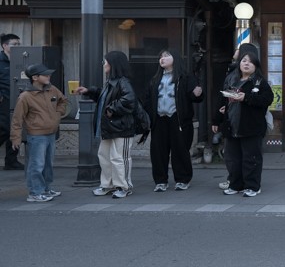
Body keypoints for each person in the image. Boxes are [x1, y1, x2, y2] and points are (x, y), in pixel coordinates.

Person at [75, 50, 139, 199]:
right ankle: (108, 185)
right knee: (105, 156)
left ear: (113, 64)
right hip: (111, 127)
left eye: (105, 61)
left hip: (121, 128)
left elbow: (130, 101)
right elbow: (106, 98)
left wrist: (112, 109)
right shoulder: (112, 82)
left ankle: (124, 186)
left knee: (119, 158)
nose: (103, 64)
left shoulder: (122, 82)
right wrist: (90, 91)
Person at [143, 48, 203, 191]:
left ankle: (182, 179)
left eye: (166, 56)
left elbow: (196, 96)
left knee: (180, 150)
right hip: (159, 119)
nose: (162, 59)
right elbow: (147, 99)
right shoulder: (155, 79)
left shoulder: (185, 77)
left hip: (178, 119)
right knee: (158, 151)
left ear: (175, 58)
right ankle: (160, 181)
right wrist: (149, 116)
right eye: (160, 57)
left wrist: (197, 94)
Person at [10, 63, 67, 202]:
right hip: (36, 135)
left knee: (48, 164)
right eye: (45, 74)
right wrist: (15, 138)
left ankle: (46, 189)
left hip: (51, 133)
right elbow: (17, 119)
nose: (49, 76)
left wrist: (57, 114)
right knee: (36, 165)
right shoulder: (25, 96)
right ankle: (35, 192)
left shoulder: (51, 89)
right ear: (35, 77)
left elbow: (63, 101)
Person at [220, 49, 272, 197]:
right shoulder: (232, 80)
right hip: (232, 125)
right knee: (232, 159)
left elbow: (267, 100)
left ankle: (252, 186)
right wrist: (224, 109)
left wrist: (246, 98)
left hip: (252, 127)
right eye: (243, 61)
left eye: (250, 61)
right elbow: (224, 99)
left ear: (256, 65)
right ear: (239, 64)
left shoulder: (260, 82)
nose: (246, 64)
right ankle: (235, 185)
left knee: (251, 158)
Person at [212, 43, 258, 190]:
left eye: (244, 56)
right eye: (242, 58)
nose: (236, 56)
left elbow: (264, 99)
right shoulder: (232, 74)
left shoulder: (257, 78)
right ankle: (234, 181)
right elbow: (222, 97)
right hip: (231, 120)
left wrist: (245, 99)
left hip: (249, 123)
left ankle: (249, 183)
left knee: (248, 156)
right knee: (232, 155)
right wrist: (217, 118)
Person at [1, 33, 25, 170]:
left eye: (19, 44)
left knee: (16, 128)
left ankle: (11, 160)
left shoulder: (20, 59)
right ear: (5, 45)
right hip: (3, 100)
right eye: (14, 44)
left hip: (17, 99)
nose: (17, 47)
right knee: (4, 129)